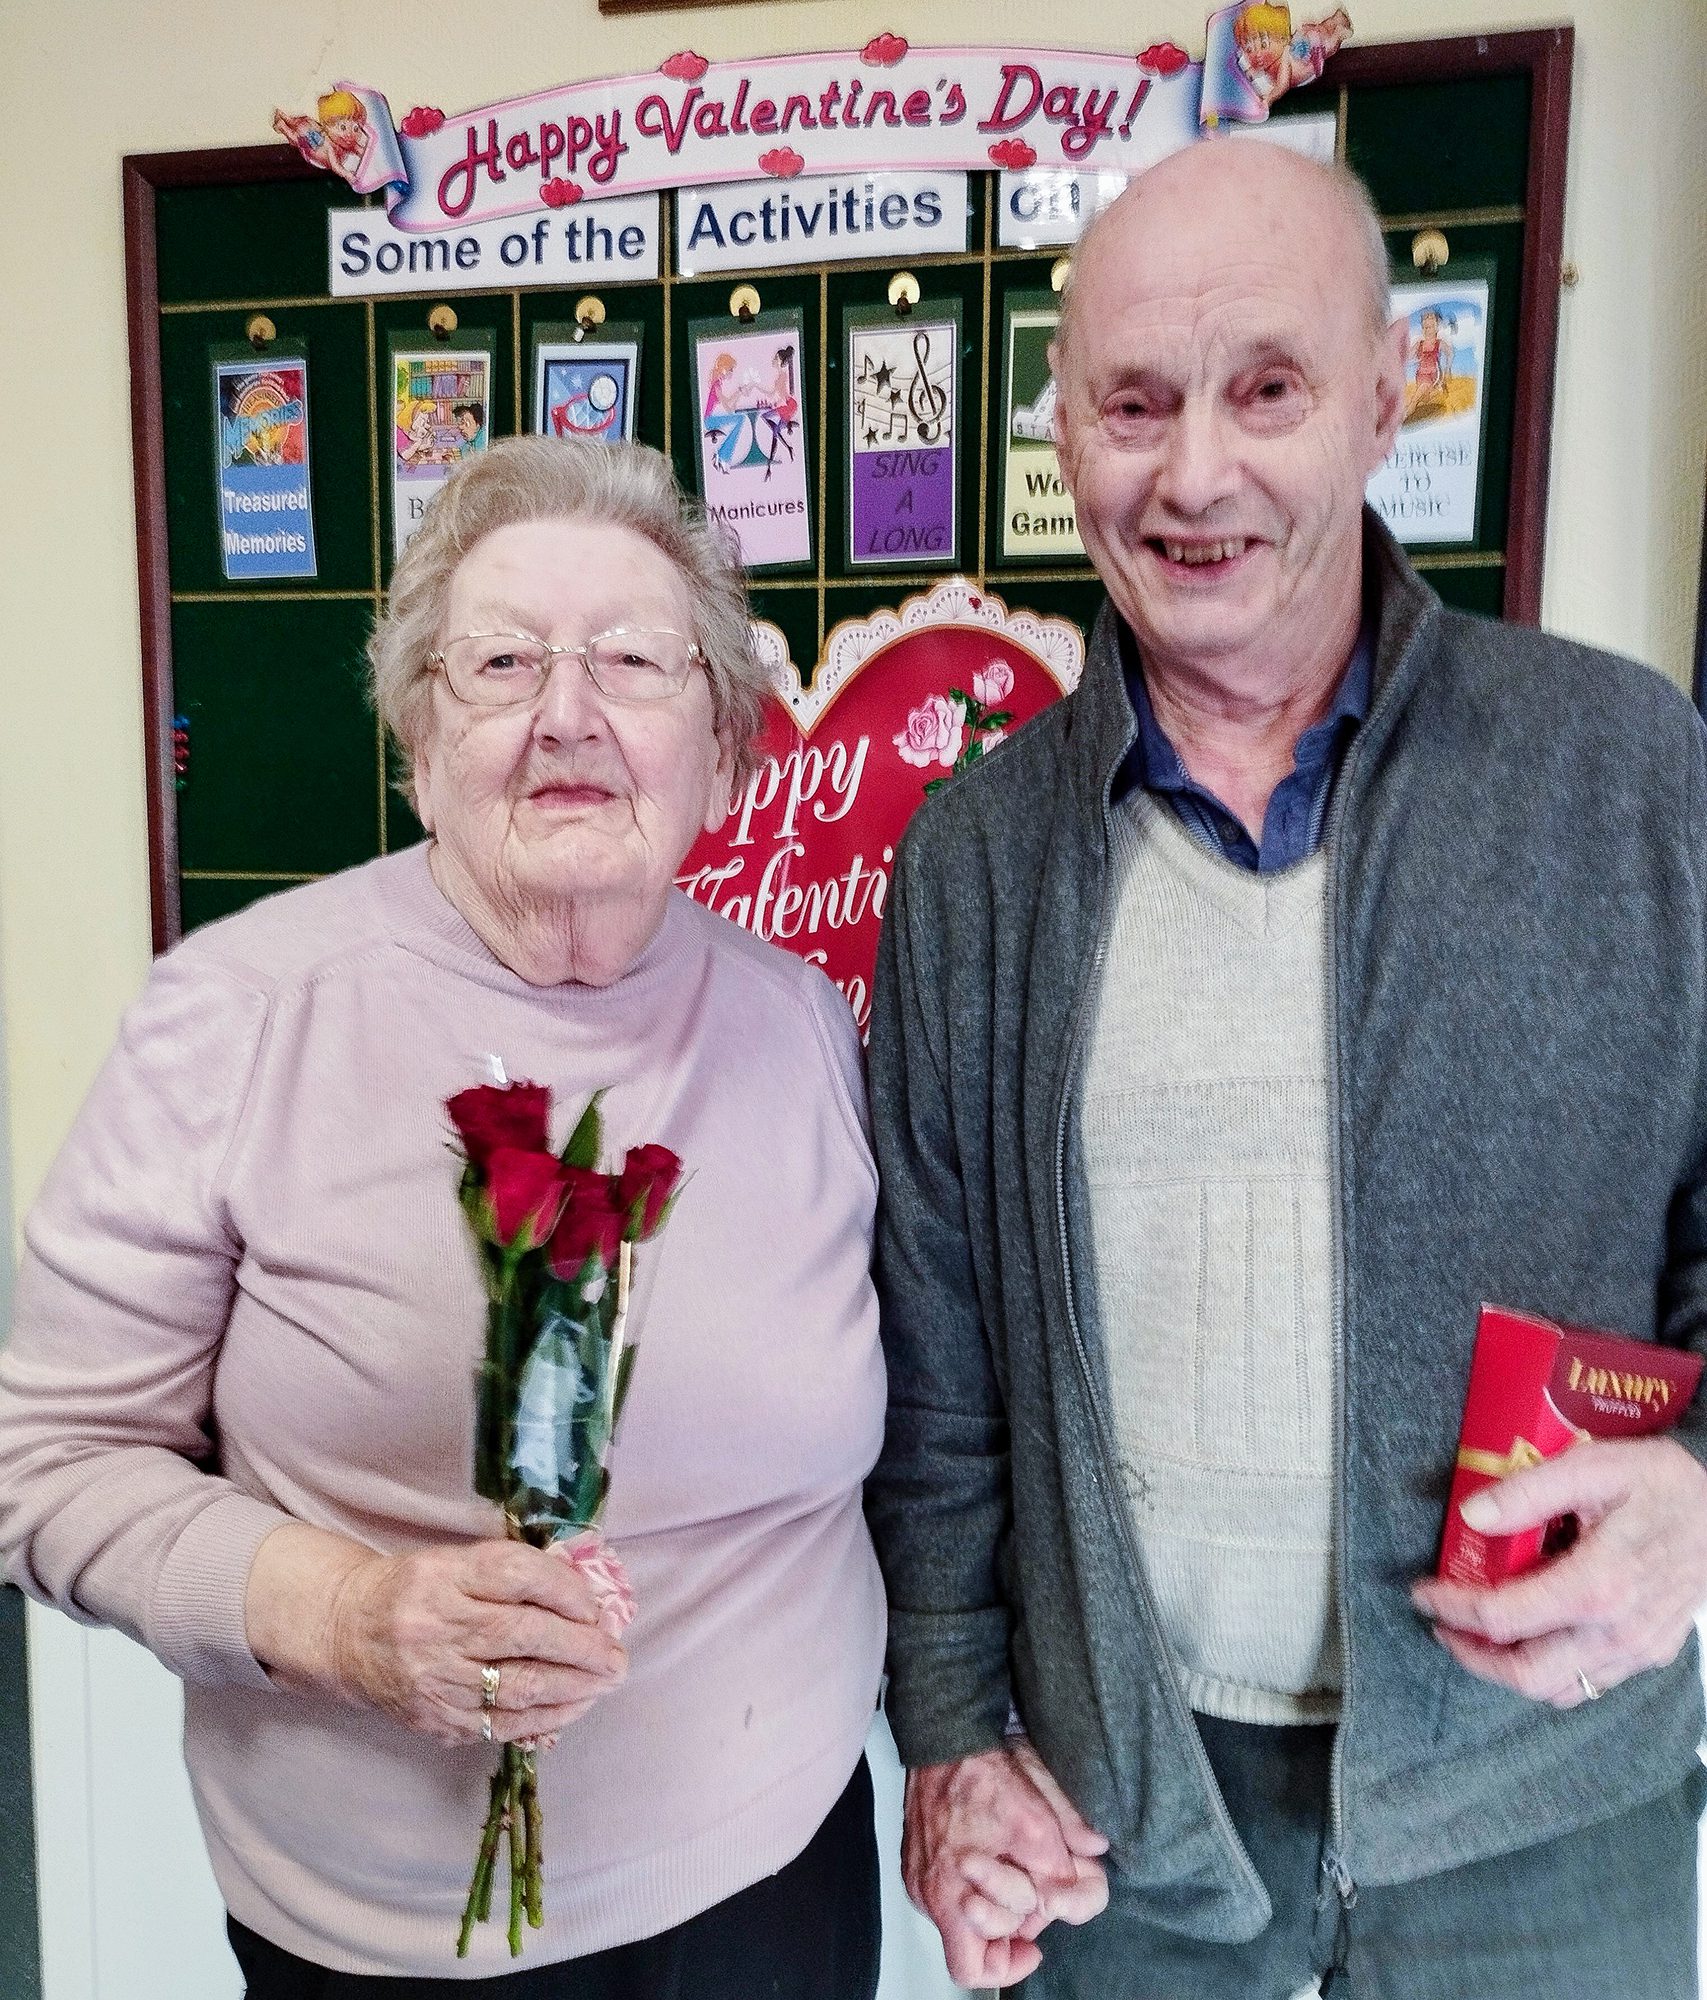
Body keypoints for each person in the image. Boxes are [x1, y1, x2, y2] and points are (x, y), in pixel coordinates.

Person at [864, 138, 1707, 2000]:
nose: (1195, 476)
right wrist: (944, 1728)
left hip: (1550, 1810)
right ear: (1062, 431)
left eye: (1267, 390)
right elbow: (934, 1366)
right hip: (1124, 1824)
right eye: (1134, 405)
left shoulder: (1637, 776)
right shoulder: (975, 862)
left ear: (1388, 393)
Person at [0, 436, 887, 1993]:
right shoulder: (238, 1014)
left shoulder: (807, 1024)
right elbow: (44, 1464)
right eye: (499, 662)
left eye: (632, 658)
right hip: (385, 1938)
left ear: (723, 743)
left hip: (781, 1876)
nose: (569, 714)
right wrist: (343, 1614)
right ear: (418, 733)